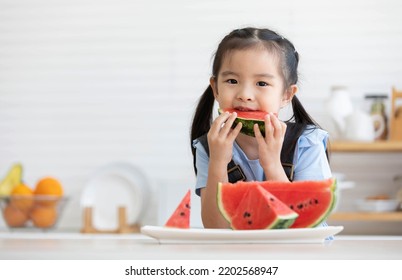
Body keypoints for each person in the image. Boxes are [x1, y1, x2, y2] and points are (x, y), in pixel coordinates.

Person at [190, 27, 332, 229]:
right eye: (232, 81)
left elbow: (307, 227)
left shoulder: (307, 143)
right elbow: (217, 227)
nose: (245, 94)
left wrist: (273, 165)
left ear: (286, 95)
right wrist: (218, 162)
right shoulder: (209, 147)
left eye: (262, 83)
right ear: (215, 88)